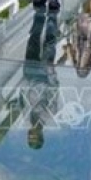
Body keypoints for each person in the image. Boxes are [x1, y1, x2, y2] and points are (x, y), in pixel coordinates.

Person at [22, 10, 60, 149]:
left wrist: (25, 80)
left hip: (29, 72)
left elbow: (22, 96)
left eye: (29, 137)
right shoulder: (50, 114)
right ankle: (52, 12)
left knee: (33, 38)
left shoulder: (25, 117)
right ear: (41, 135)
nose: (30, 134)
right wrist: (50, 72)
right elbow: (54, 90)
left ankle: (39, 11)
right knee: (50, 41)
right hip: (44, 73)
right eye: (34, 137)